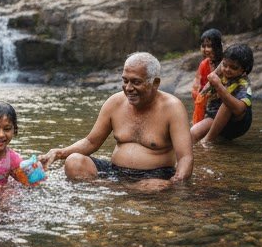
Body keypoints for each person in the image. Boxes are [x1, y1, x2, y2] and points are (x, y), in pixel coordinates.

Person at [39, 53, 192, 189]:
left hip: (154, 177)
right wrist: (58, 153)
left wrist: (175, 183)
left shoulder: (172, 108)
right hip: (115, 172)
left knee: (153, 187)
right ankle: (122, 188)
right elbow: (91, 142)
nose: (128, 88)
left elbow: (185, 157)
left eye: (136, 82)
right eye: (125, 81)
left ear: (155, 83)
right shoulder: (115, 102)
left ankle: (115, 189)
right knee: (74, 162)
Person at [190, 42, 253, 144]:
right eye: (224, 65)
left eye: (234, 68)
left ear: (244, 70)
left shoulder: (243, 84)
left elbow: (239, 110)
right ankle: (215, 137)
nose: (227, 69)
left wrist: (219, 86)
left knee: (227, 104)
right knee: (192, 134)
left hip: (236, 123)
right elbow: (223, 62)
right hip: (215, 115)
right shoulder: (221, 70)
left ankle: (207, 140)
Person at [192, 28, 223, 125]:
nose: (206, 50)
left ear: (218, 46)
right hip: (208, 103)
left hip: (224, 102)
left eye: (209, 46)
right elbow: (197, 87)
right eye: (203, 46)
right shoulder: (204, 64)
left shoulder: (226, 63)